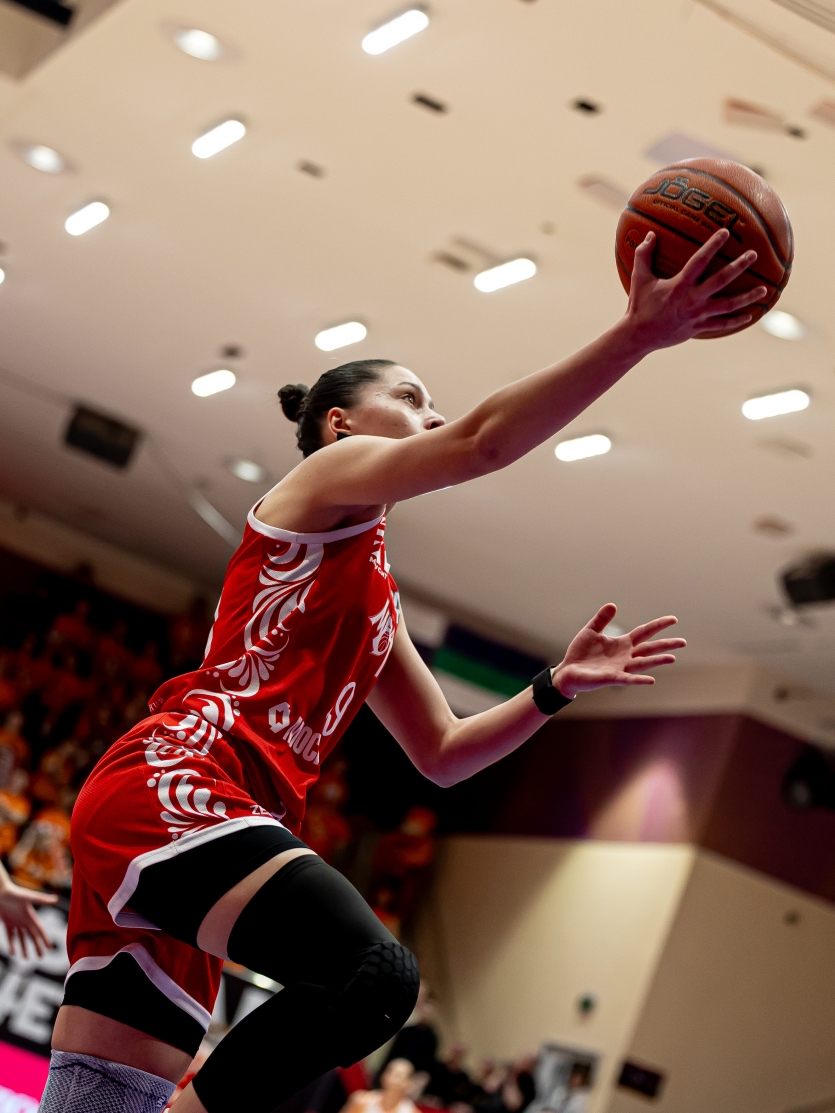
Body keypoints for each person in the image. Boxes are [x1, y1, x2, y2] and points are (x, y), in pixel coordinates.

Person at [41, 230, 764, 1113]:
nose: (431, 415)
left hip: (221, 810)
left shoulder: (371, 597)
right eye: (411, 397)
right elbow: (483, 444)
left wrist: (553, 687)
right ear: (339, 423)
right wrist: (635, 335)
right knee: (373, 975)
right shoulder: (324, 482)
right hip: (182, 782)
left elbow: (443, 753)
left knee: (107, 1094)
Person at [342, 1058, 419, 1113]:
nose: (393, 1079)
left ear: (408, 1083)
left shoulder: (411, 1111)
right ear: (384, 1076)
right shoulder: (361, 1100)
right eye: (391, 1073)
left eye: (399, 1076)